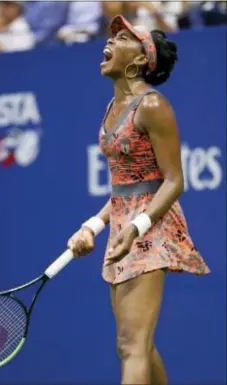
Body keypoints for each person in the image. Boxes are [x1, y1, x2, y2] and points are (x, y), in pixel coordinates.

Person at [67, 15, 210, 385]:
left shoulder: (152, 106)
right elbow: (123, 188)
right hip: (123, 226)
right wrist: (93, 226)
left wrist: (136, 226)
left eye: (124, 38)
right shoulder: (112, 110)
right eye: (113, 36)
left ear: (141, 59)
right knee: (134, 346)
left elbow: (174, 180)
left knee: (132, 346)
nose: (111, 41)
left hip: (150, 227)